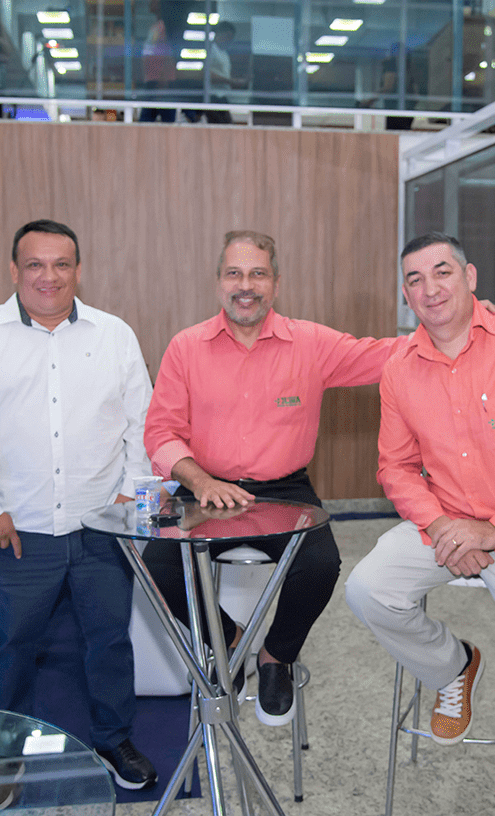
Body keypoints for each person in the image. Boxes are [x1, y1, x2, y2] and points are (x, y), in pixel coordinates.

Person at [345, 233, 495, 816]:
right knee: (367, 589)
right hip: (447, 523)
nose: (430, 289)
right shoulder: (399, 368)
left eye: (442, 272)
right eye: (415, 280)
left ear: (470, 277)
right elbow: (395, 467)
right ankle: (453, 665)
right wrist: (441, 526)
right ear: (405, 294)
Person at [0, 219, 158, 791]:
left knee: (109, 641)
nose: (48, 276)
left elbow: (143, 422)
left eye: (61, 264)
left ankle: (114, 739)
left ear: (78, 271)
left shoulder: (114, 335)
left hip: (102, 527)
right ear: (14, 270)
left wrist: (131, 493)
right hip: (17, 530)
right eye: (35, 264)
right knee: (12, 646)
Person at [141, 229, 406, 727]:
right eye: (235, 274)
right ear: (218, 282)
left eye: (258, 274)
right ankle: (230, 640)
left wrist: (456, 325)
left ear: (276, 284)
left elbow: (388, 354)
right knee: (158, 566)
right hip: (202, 487)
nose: (246, 285)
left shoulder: (311, 343)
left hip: (284, 488)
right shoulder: (186, 347)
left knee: (322, 565)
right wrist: (199, 481)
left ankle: (275, 656)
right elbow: (160, 431)